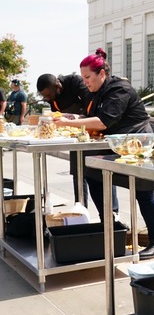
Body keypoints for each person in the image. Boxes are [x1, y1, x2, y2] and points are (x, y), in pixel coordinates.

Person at [54, 49, 154, 260]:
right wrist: (73, 116)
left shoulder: (119, 89)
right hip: (115, 142)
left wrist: (70, 123)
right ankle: (111, 224)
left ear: (101, 74)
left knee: (142, 191)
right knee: (92, 171)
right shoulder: (94, 92)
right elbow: (90, 116)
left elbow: (104, 121)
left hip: (137, 141)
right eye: (83, 78)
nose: (85, 82)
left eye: (88, 77)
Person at [36, 73, 119, 212]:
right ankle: (80, 210)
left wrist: (76, 117)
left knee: (104, 173)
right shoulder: (52, 97)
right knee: (78, 173)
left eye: (48, 95)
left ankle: (113, 212)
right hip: (74, 136)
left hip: (93, 133)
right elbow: (56, 115)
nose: (47, 98)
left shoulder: (75, 82)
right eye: (44, 96)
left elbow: (91, 103)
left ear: (57, 86)